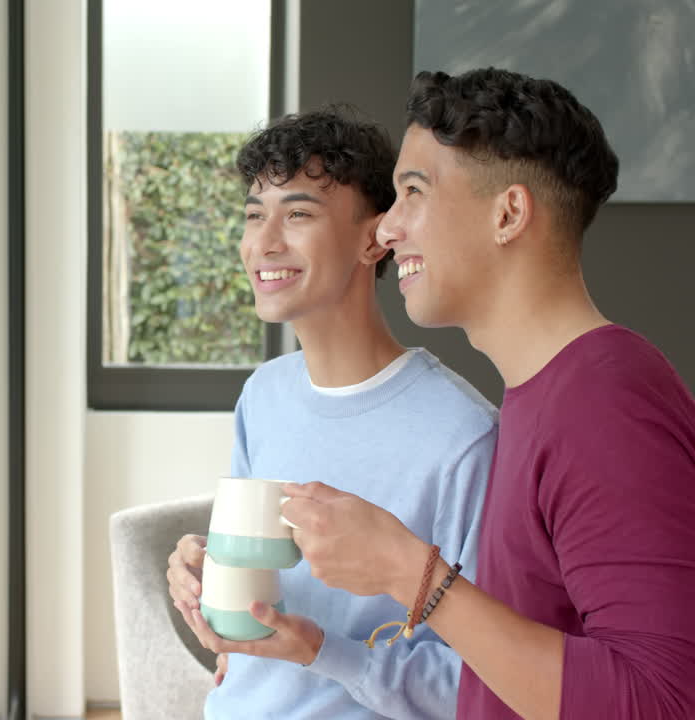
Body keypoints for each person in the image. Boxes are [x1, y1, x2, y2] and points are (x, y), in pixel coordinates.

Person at [281, 68, 695, 719]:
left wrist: (410, 573)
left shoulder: (605, 402)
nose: (386, 231)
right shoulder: (546, 393)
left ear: (508, 214)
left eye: (412, 193)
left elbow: (662, 700)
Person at [166, 106, 497, 719]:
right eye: (252, 215)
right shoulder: (261, 397)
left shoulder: (462, 437)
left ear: (374, 238)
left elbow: (476, 685)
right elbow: (255, 606)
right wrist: (203, 573)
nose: (263, 242)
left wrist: (323, 652)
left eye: (297, 214)